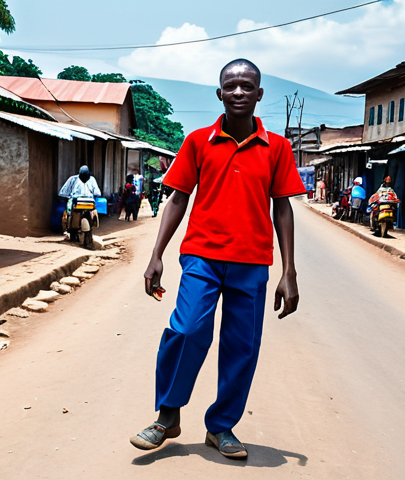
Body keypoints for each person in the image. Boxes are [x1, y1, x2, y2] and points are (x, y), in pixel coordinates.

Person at [129, 59, 305, 459]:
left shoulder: (277, 148)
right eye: (231, 86)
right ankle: (167, 416)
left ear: (259, 94)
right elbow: (177, 197)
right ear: (220, 93)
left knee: (242, 345)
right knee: (187, 330)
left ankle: (222, 426)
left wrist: (288, 271)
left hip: (253, 262)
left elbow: (283, 208)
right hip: (201, 257)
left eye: (247, 86)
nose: (239, 92)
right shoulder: (197, 141)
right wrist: (156, 254)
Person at [59, 165, 101, 240]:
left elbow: (63, 192)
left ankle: (68, 229)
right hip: (89, 205)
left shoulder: (73, 179)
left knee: (69, 213)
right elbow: (97, 193)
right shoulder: (92, 179)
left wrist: (68, 196)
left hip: (77, 204)